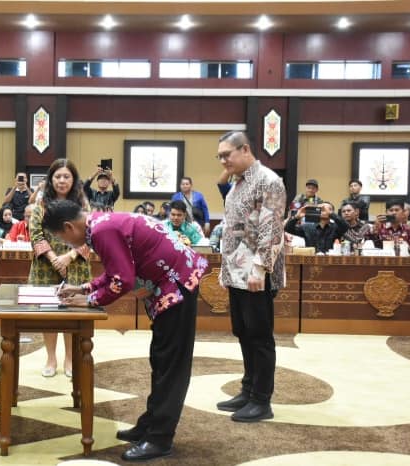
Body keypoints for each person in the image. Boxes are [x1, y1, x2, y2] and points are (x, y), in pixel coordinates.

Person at [44, 199, 208, 462]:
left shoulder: (100, 231)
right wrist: (85, 288)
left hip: (177, 286)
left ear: (67, 226)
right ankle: (150, 424)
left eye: (61, 238)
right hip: (172, 283)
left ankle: (160, 438)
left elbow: (123, 280)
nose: (66, 244)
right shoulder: (99, 224)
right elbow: (116, 271)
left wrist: (90, 300)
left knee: (171, 366)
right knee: (161, 360)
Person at [216, 131, 286, 423]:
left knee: (259, 336)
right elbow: (233, 225)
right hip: (236, 270)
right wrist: (227, 268)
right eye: (219, 156)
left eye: (226, 155)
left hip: (257, 271)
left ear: (245, 149)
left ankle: (262, 400)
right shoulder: (237, 183)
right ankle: (248, 390)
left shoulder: (269, 180)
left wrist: (260, 268)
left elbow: (272, 228)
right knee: (242, 331)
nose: (222, 161)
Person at [29, 158, 90, 378]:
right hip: (46, 265)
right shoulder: (41, 204)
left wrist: (69, 256)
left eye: (66, 176)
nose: (62, 181)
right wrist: (55, 258)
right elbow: (35, 233)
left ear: (73, 180)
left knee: (71, 313)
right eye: (57, 176)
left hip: (75, 266)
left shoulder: (82, 205)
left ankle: (70, 360)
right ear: (50, 179)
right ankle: (51, 358)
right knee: (49, 314)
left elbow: (90, 235)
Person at [284, 202, 349, 253]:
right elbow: (288, 228)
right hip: (311, 262)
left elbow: (345, 226)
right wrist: (297, 217)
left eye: (328, 209)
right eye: (321, 209)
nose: (324, 211)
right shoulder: (307, 227)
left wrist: (331, 214)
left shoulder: (335, 227)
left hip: (331, 262)